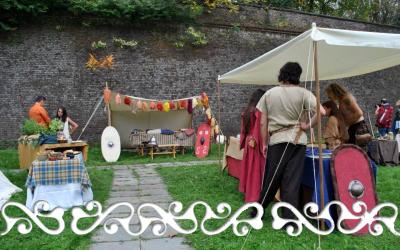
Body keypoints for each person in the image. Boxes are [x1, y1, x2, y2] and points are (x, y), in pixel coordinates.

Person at [256, 62, 325, 219]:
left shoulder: (269, 94)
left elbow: (262, 123)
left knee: (271, 179)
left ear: (282, 74)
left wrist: (265, 143)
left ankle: (257, 211)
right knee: (291, 181)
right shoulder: (304, 93)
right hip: (297, 141)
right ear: (297, 76)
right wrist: (307, 125)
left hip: (277, 140)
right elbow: (321, 112)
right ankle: (289, 220)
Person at [325, 83, 371, 150]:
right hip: (353, 127)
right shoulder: (341, 100)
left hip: (359, 127)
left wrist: (347, 123)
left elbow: (359, 113)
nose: (329, 97)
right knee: (352, 151)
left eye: (329, 94)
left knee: (360, 152)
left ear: (334, 91)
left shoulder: (347, 98)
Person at [239, 89, 266, 203]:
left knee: (250, 168)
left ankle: (248, 191)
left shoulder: (246, 111)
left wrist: (246, 140)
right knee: (255, 170)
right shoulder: (258, 111)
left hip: (248, 142)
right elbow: (259, 127)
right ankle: (254, 195)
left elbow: (243, 130)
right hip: (255, 142)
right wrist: (259, 141)